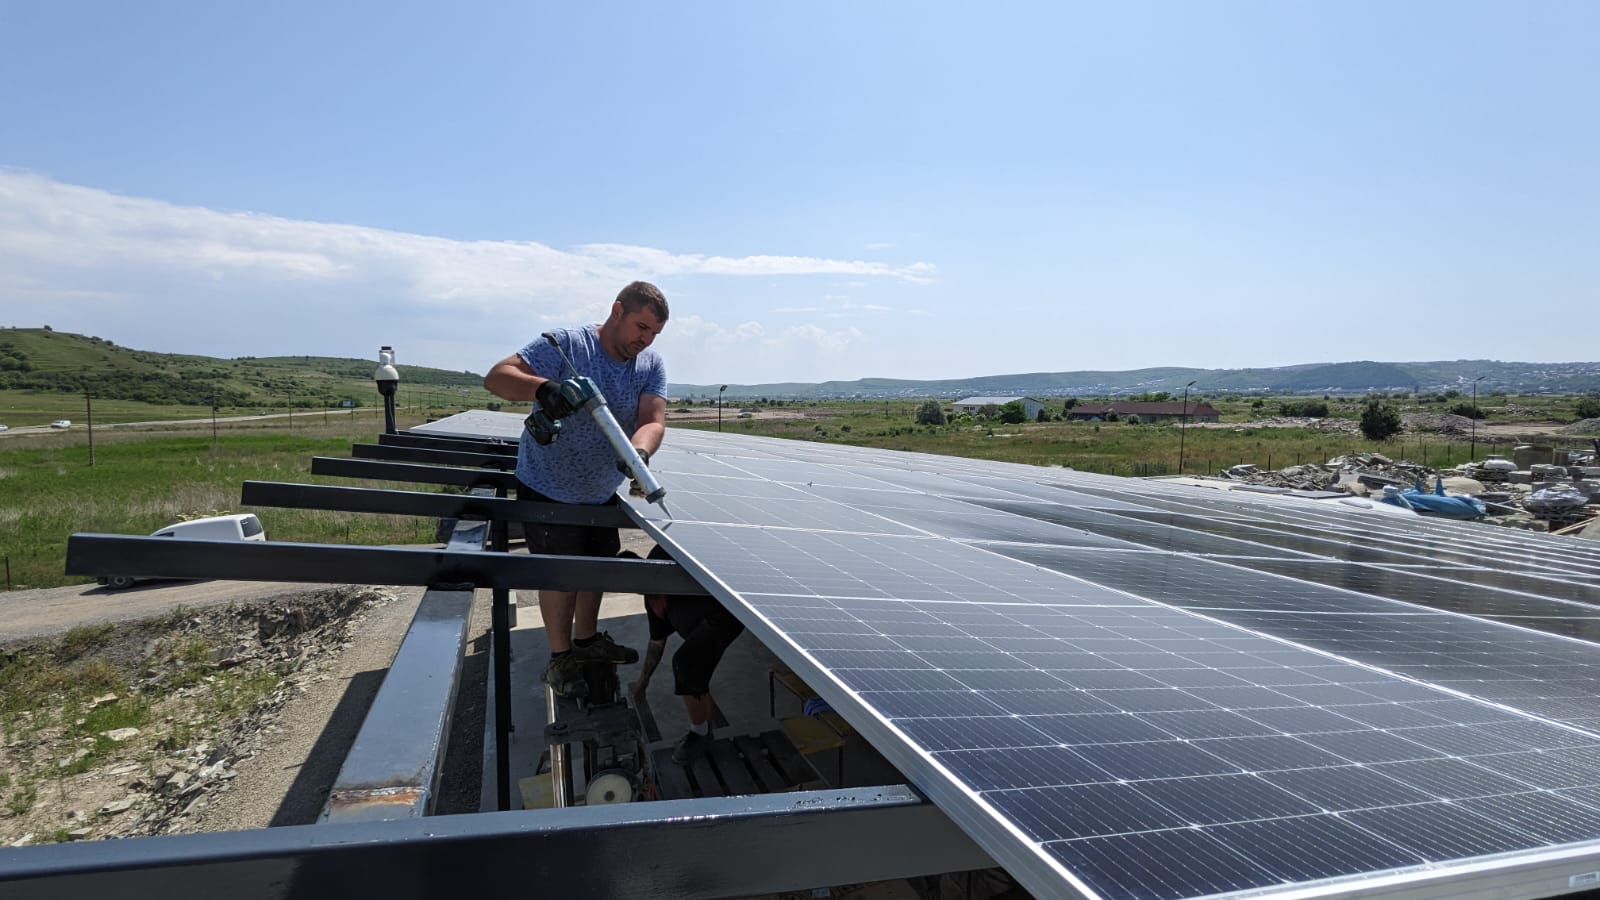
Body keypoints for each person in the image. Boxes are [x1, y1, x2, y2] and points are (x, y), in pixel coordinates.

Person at [483, 281, 669, 698]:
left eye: (654, 333)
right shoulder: (568, 345)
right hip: (549, 484)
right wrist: (543, 388)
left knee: (595, 566)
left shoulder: (649, 364)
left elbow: (653, 419)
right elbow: (497, 377)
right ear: (617, 311)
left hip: (600, 488)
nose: (645, 339)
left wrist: (637, 453)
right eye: (641, 327)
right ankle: (559, 658)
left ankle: (586, 641)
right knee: (560, 575)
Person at [630, 545, 746, 763]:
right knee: (693, 668)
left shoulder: (661, 557)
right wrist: (643, 680)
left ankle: (700, 733)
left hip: (723, 614)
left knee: (685, 664)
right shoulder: (651, 599)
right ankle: (702, 714)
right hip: (700, 627)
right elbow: (657, 641)